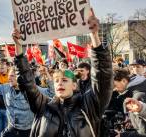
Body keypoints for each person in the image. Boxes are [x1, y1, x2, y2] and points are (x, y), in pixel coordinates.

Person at [12, 9, 113, 137]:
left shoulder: (89, 105)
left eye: (65, 80)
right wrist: (19, 47)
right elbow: (26, 83)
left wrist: (94, 35)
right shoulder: (43, 106)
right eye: (57, 81)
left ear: (74, 85)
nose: (60, 83)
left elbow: (103, 77)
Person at [113, 69, 146, 137]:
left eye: (115, 85)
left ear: (124, 81)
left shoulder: (138, 96)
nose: (115, 89)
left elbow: (143, 132)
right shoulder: (135, 91)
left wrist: (123, 135)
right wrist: (131, 121)